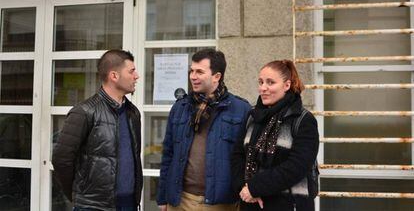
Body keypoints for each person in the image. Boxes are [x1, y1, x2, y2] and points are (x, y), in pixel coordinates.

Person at [157, 49, 251, 211]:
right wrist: (162, 197)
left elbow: (247, 159)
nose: (193, 76)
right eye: (192, 71)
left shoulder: (241, 109)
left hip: (221, 203)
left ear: (217, 76)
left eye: (200, 71)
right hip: (180, 201)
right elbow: (168, 154)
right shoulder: (180, 107)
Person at [52, 49, 143, 211]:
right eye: (131, 71)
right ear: (114, 76)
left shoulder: (133, 113)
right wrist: (78, 196)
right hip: (93, 207)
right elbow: (61, 159)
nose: (137, 76)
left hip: (129, 204)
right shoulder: (84, 111)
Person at [231, 60, 319, 211]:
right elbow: (238, 155)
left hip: (289, 204)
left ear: (287, 85)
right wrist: (245, 188)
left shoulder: (303, 120)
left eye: (270, 82)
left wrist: (255, 187)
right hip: (251, 203)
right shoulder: (253, 117)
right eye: (260, 82)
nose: (263, 88)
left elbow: (297, 166)